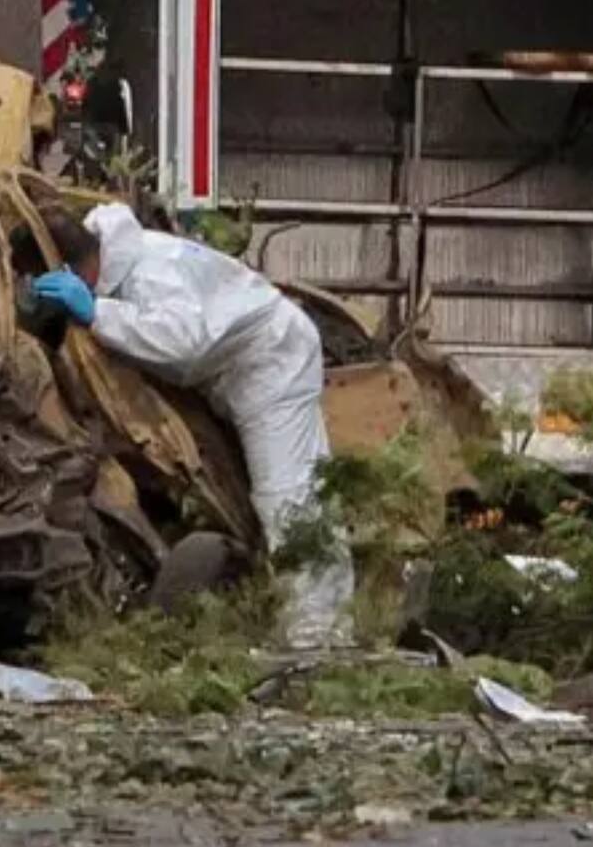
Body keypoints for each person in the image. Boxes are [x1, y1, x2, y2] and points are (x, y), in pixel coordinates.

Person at [33, 203, 354, 649]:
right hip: (248, 366)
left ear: (75, 267)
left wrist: (98, 314)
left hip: (271, 364)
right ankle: (313, 618)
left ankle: (318, 634)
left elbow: (183, 341)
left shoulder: (150, 272)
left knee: (289, 496)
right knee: (290, 493)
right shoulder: (128, 259)